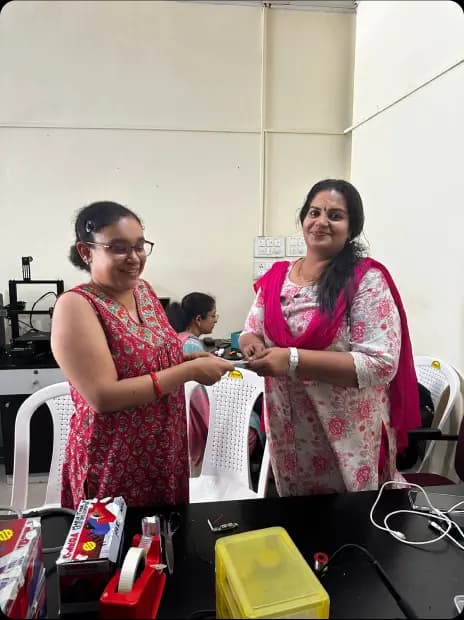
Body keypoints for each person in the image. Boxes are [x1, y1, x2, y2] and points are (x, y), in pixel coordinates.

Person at [239, 179, 421, 497]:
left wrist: (293, 360)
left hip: (347, 435)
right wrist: (250, 344)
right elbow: (251, 329)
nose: (321, 222)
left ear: (351, 228)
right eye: (314, 212)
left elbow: (381, 363)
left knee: (350, 531)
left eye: (335, 215)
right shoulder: (276, 278)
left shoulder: (365, 280)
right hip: (290, 432)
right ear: (303, 219)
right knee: (299, 526)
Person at [51, 201, 234, 509]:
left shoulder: (144, 292)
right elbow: (103, 396)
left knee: (165, 544)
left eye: (139, 246)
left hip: (163, 451)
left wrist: (193, 361)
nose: (134, 258)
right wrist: (187, 373)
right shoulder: (77, 306)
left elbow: (157, 361)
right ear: (86, 252)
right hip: (114, 459)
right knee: (118, 549)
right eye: (119, 248)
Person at [166, 293, 218, 470]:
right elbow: (202, 402)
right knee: (253, 424)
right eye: (213, 315)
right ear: (198, 319)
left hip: (182, 419)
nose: (215, 320)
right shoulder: (192, 346)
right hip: (194, 423)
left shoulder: (180, 338)